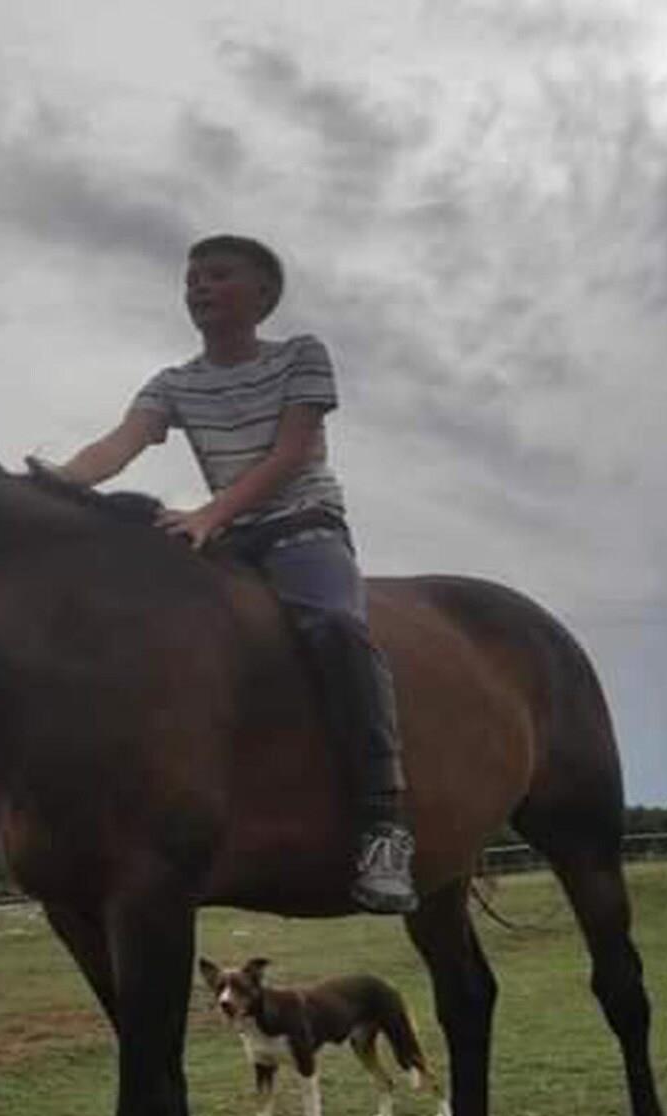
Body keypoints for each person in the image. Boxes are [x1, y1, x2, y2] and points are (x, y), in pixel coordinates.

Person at [33, 235, 417, 914]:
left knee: (334, 624)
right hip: (226, 534)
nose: (199, 287)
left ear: (263, 295)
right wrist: (58, 482)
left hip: (302, 525)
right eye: (192, 279)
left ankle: (384, 822)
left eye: (217, 275)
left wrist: (210, 514)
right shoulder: (174, 383)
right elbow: (118, 445)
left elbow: (291, 453)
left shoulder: (300, 355)